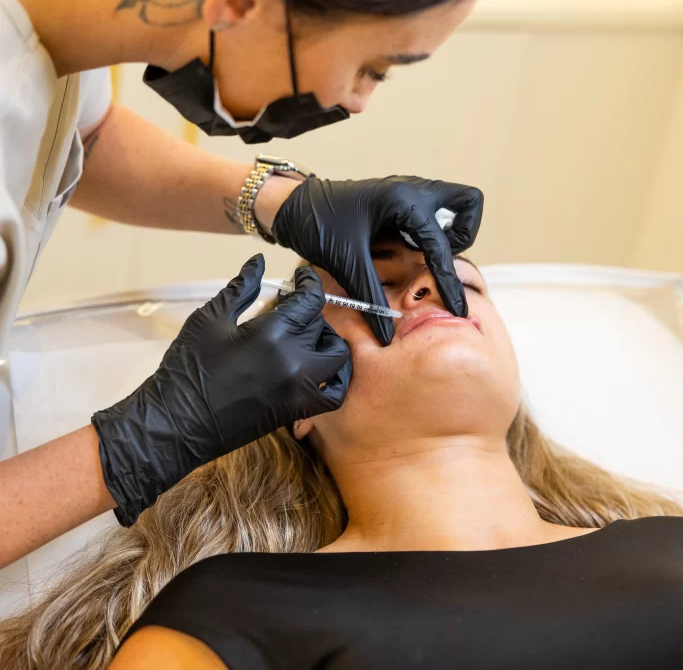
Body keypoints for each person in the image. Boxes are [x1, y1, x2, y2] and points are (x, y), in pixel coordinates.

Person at [0, 0, 514, 562]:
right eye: (374, 65)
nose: (357, 102)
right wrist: (141, 441)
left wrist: (281, 202)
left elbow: (73, 139)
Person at [2, 243, 681, 669]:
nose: (427, 288)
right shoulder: (234, 610)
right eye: (370, 290)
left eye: (462, 283)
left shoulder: (669, 545)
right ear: (294, 400)